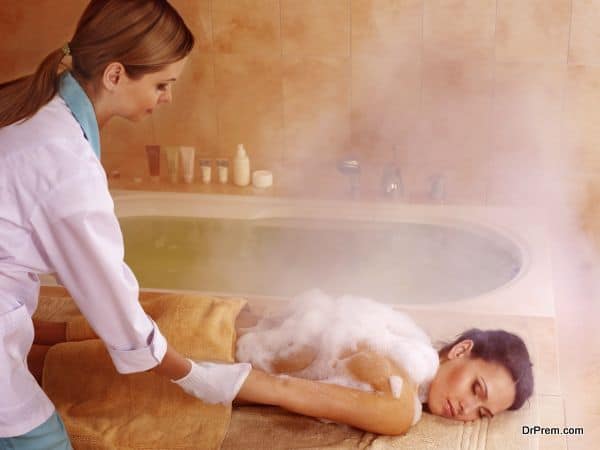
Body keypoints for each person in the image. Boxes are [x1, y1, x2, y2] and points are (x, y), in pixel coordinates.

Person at [0, 1, 253, 447]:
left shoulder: (32, 107)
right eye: (162, 84)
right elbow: (110, 299)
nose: (167, 98)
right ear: (115, 75)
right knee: (42, 439)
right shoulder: (64, 162)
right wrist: (192, 375)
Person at [30, 300, 534, 438]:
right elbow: (286, 390)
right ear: (461, 350)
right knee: (36, 367)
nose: (467, 407)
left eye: (482, 412)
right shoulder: (401, 404)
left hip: (209, 314)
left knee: (39, 338)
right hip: (199, 348)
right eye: (476, 388)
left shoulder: (403, 340)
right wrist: (191, 374)